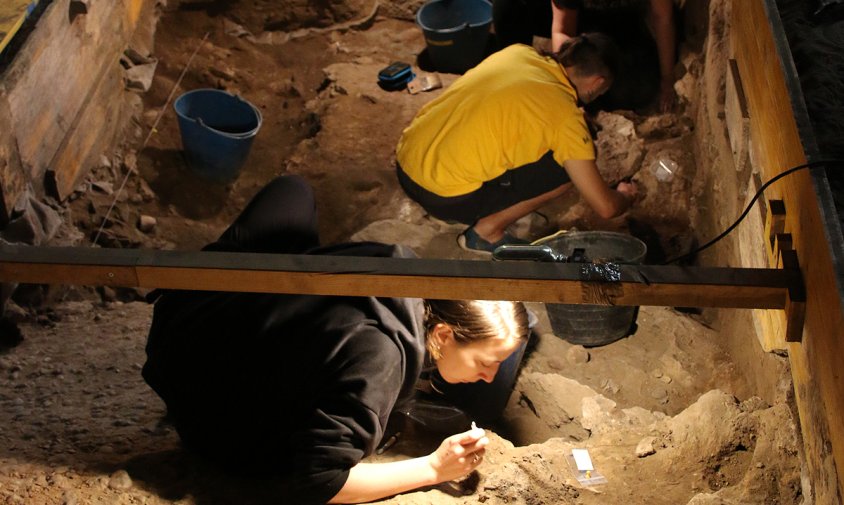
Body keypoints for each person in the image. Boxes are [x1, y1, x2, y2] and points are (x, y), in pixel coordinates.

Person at [141, 174, 531, 504]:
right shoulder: (378, 360)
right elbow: (317, 480)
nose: (489, 374)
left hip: (201, 304)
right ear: (443, 333)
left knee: (292, 192)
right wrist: (432, 468)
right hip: (197, 385)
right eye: (485, 363)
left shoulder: (405, 266)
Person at [396, 33, 638, 254]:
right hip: (442, 197)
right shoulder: (565, 118)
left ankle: (457, 202)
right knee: (566, 170)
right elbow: (605, 207)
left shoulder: (519, 53)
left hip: (406, 164)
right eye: (602, 90)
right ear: (598, 82)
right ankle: (486, 233)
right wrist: (625, 197)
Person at [492, 0, 677, 111]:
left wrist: (667, 78)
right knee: (508, 6)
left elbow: (662, 18)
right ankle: (515, 77)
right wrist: (565, 88)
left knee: (638, 90)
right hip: (578, 16)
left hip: (621, 20)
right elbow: (563, 28)